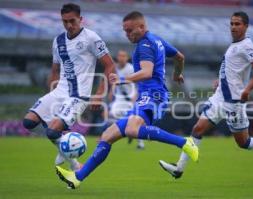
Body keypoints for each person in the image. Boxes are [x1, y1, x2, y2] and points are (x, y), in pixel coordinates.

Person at [55, 11, 198, 189]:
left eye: (130, 30)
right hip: (149, 95)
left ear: (142, 27)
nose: (127, 34)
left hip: (153, 94)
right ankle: (77, 177)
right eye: (125, 31)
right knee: (107, 136)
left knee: (132, 129)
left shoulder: (144, 45)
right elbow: (179, 57)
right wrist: (177, 74)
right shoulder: (157, 40)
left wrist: (122, 79)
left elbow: (147, 72)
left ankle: (185, 142)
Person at [159, 11, 253, 179]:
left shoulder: (247, 45)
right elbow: (233, 70)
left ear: (246, 26)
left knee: (243, 142)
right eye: (231, 24)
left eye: (237, 24)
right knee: (197, 129)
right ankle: (179, 169)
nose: (233, 27)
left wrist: (247, 91)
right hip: (220, 97)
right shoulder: (234, 46)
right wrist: (220, 80)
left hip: (234, 102)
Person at [22, 3, 114, 171]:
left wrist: (99, 94)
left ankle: (72, 160)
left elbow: (110, 66)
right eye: (65, 22)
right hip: (59, 92)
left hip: (79, 96)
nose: (69, 25)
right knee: (28, 122)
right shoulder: (58, 41)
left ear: (81, 19)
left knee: (52, 132)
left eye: (72, 21)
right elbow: (55, 70)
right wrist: (51, 96)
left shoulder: (91, 38)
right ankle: (65, 146)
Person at [108, 49, 145, 149]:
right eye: (120, 56)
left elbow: (138, 82)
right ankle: (113, 137)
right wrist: (111, 92)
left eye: (124, 56)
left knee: (136, 119)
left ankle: (140, 143)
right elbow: (114, 82)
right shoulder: (115, 68)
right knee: (112, 116)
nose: (122, 58)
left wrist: (135, 96)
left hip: (131, 97)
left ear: (127, 58)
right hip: (120, 98)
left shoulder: (131, 68)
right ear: (117, 57)